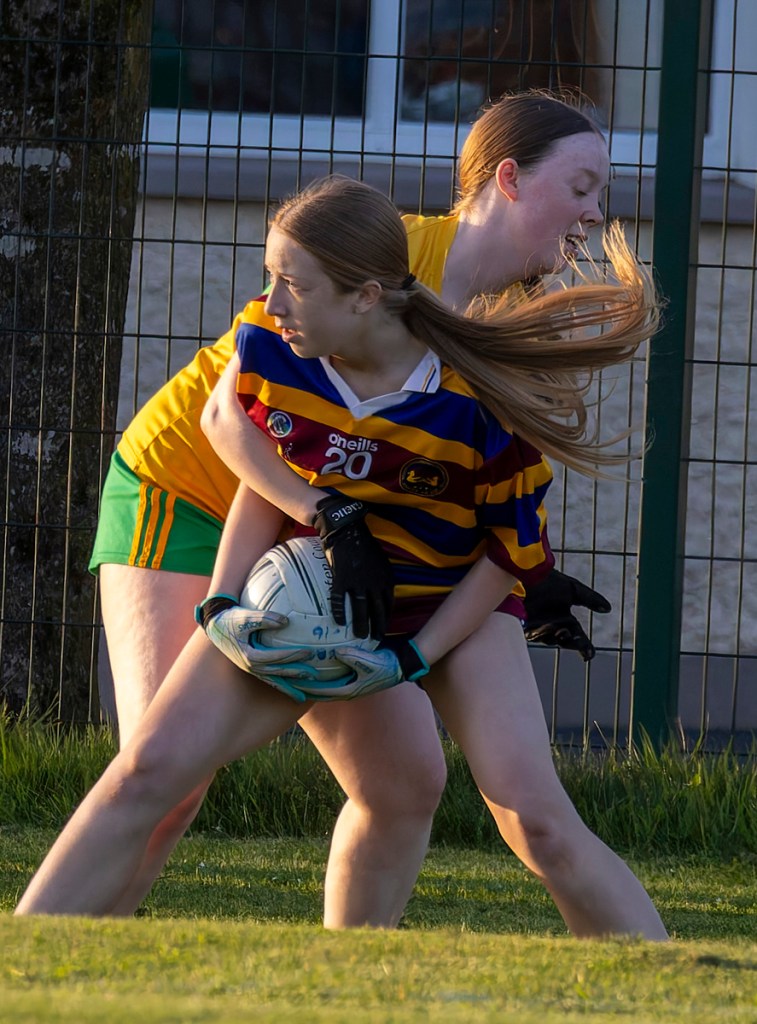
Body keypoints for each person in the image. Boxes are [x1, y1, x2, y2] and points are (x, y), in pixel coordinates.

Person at [17, 175, 667, 941]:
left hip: (453, 602)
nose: (270, 302)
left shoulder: (478, 403)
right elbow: (262, 483)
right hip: (335, 591)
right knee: (148, 771)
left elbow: (506, 552)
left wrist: (412, 658)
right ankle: (22, 967)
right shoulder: (275, 353)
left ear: (364, 297)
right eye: (270, 276)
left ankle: (665, 975)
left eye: (292, 284)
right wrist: (221, 604)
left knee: (540, 825)